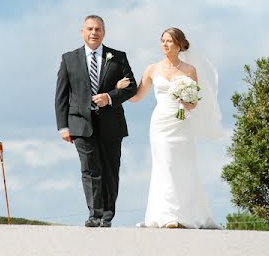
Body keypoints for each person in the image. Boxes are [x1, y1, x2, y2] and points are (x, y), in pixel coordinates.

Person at [116, 26, 221, 229]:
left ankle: (190, 213)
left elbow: (194, 102)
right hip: (161, 123)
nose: (165, 44)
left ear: (180, 45)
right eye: (163, 40)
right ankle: (166, 215)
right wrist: (119, 91)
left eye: (170, 41)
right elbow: (137, 96)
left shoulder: (189, 70)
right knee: (165, 164)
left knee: (185, 166)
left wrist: (187, 101)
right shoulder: (152, 69)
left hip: (183, 123)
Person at [55, 15, 137, 228]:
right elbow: (61, 95)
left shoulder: (117, 57)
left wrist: (109, 97)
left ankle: (107, 215)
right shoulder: (69, 58)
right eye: (90, 29)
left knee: (110, 169)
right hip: (80, 124)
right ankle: (94, 214)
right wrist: (63, 127)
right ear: (82, 31)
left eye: (98, 29)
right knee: (90, 169)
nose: (94, 33)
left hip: (111, 125)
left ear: (104, 32)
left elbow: (131, 87)